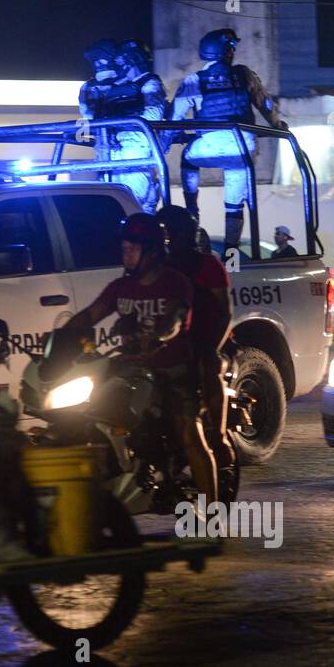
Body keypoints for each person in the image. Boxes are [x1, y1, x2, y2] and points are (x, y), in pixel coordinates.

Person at [60, 214, 217, 504]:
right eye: (124, 249)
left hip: (173, 371)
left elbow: (175, 320)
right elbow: (92, 314)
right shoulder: (120, 288)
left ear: (153, 252)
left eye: (132, 249)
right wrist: (61, 335)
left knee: (191, 437)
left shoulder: (175, 283)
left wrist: (159, 335)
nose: (126, 255)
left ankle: (213, 516)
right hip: (132, 370)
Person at [171, 28, 287, 251]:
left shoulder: (194, 80)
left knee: (188, 159)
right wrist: (277, 126)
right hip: (242, 147)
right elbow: (266, 104)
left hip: (208, 144)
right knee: (235, 204)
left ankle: (192, 212)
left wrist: (164, 142)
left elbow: (174, 117)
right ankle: (231, 251)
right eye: (232, 48)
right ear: (227, 52)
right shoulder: (244, 75)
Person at [158, 204, 235, 470]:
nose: (168, 240)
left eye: (171, 233)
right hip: (169, 342)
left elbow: (225, 312)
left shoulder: (207, 265)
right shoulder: (156, 267)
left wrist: (212, 347)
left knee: (209, 368)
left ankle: (220, 437)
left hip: (205, 338)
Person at [79, 39, 168, 210]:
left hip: (106, 144)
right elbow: (154, 114)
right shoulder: (135, 82)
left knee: (114, 198)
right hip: (130, 143)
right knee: (136, 199)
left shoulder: (89, 87)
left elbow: (87, 120)